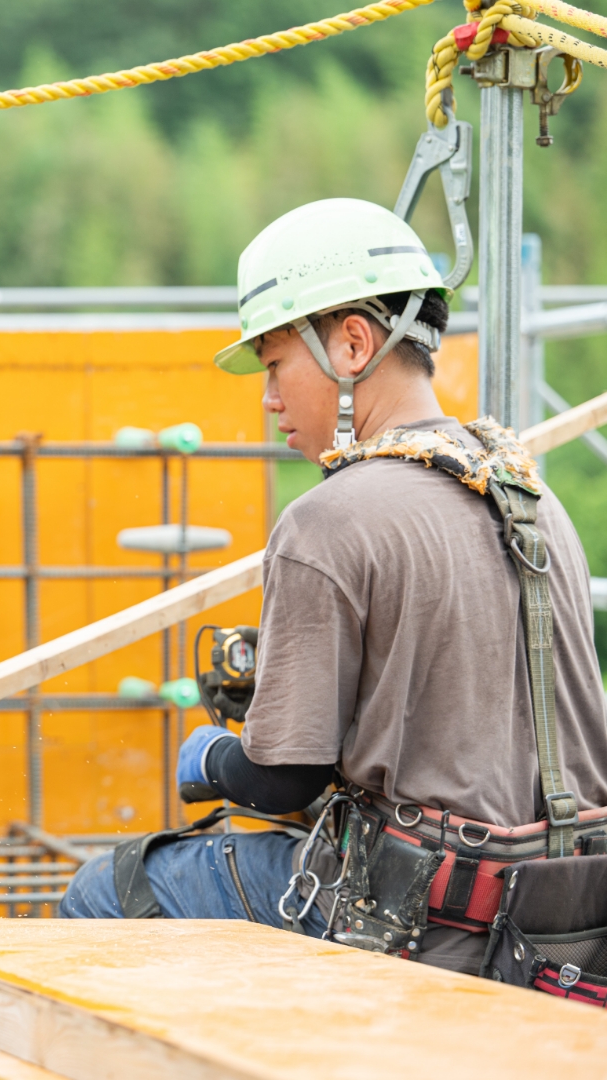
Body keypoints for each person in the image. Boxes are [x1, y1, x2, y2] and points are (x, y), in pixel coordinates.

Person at [62, 198, 607, 975]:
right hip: (563, 924)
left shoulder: (328, 519)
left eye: (275, 363)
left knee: (103, 891)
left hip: (418, 921)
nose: (269, 398)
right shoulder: (530, 496)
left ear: (353, 343)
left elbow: (283, 778)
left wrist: (210, 757)